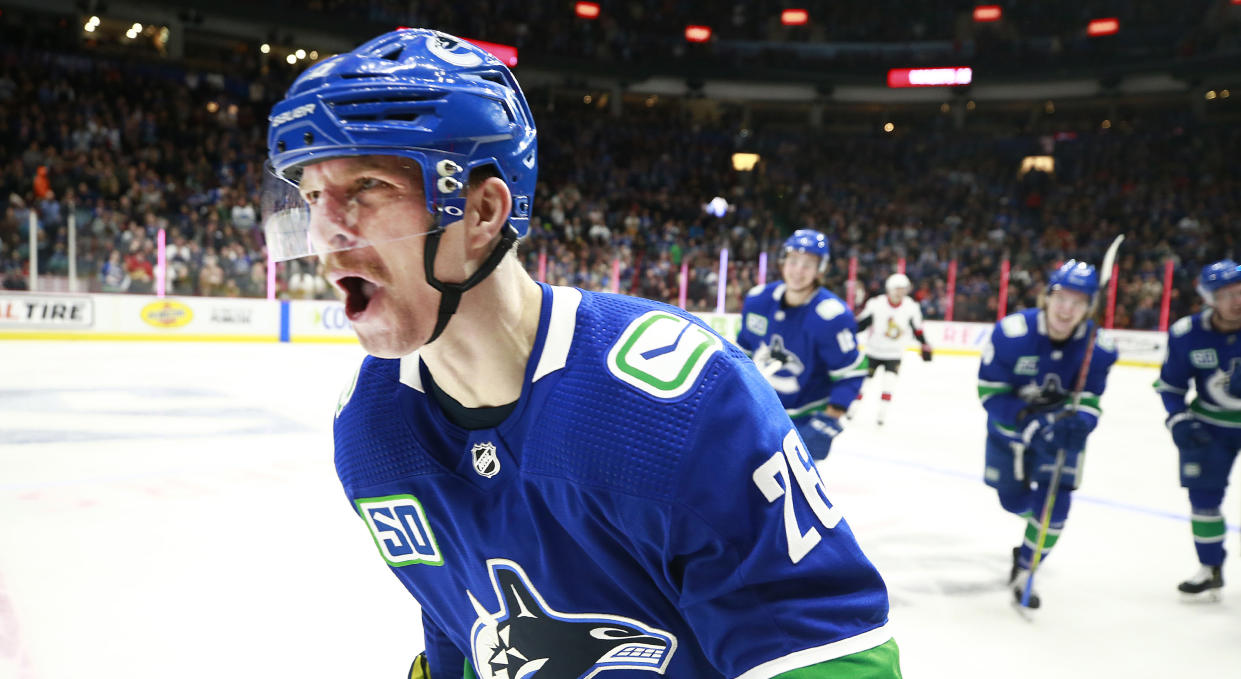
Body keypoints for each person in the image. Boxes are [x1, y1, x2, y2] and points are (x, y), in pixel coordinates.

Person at [262, 29, 900, 678]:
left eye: (368, 187)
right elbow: (458, 623)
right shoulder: (372, 426)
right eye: (313, 197)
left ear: (483, 211)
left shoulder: (681, 404)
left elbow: (830, 657)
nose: (325, 238)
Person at [976, 260, 1118, 608]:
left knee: (1054, 509)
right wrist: (1028, 421)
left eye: (1079, 302)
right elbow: (990, 394)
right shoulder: (1011, 334)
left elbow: (1091, 399)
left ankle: (1027, 567)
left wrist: (1082, 422)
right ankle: (1035, 527)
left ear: (1089, 307)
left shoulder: (1098, 347)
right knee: (1010, 499)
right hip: (1009, 433)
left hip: (1060, 438)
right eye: (1061, 298)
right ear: (1047, 297)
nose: (1067, 309)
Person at [735, 229, 867, 460]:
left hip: (804, 420)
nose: (798, 270)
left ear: (820, 269)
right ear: (784, 261)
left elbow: (851, 373)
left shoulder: (832, 317)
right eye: (793, 261)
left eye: (808, 264)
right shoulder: (758, 301)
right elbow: (742, 353)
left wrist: (830, 418)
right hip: (756, 415)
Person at [1154, 259, 1241, 600]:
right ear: (1209, 298)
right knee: (1203, 499)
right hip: (1210, 428)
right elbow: (1170, 386)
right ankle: (1210, 567)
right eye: (1226, 295)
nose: (1236, 301)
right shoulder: (1187, 334)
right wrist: (1178, 420)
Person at [854, 273, 933, 425]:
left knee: (889, 384)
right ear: (889, 289)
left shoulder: (911, 306)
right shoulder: (876, 303)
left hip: (894, 353)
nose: (900, 292)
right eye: (897, 289)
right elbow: (862, 324)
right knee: (864, 384)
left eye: (904, 289)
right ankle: (852, 410)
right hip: (873, 351)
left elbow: (917, 329)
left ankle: (881, 416)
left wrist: (924, 343)